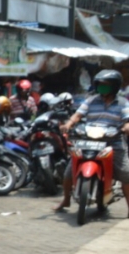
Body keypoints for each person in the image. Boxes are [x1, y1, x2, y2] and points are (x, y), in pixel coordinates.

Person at [54, 69, 129, 216]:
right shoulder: (91, 100)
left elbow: (127, 120)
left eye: (105, 84)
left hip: (113, 141)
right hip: (88, 140)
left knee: (126, 173)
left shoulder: (123, 103)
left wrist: (126, 127)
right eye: (100, 84)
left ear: (114, 86)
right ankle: (66, 199)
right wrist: (68, 124)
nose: (102, 87)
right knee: (69, 172)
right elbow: (77, 115)